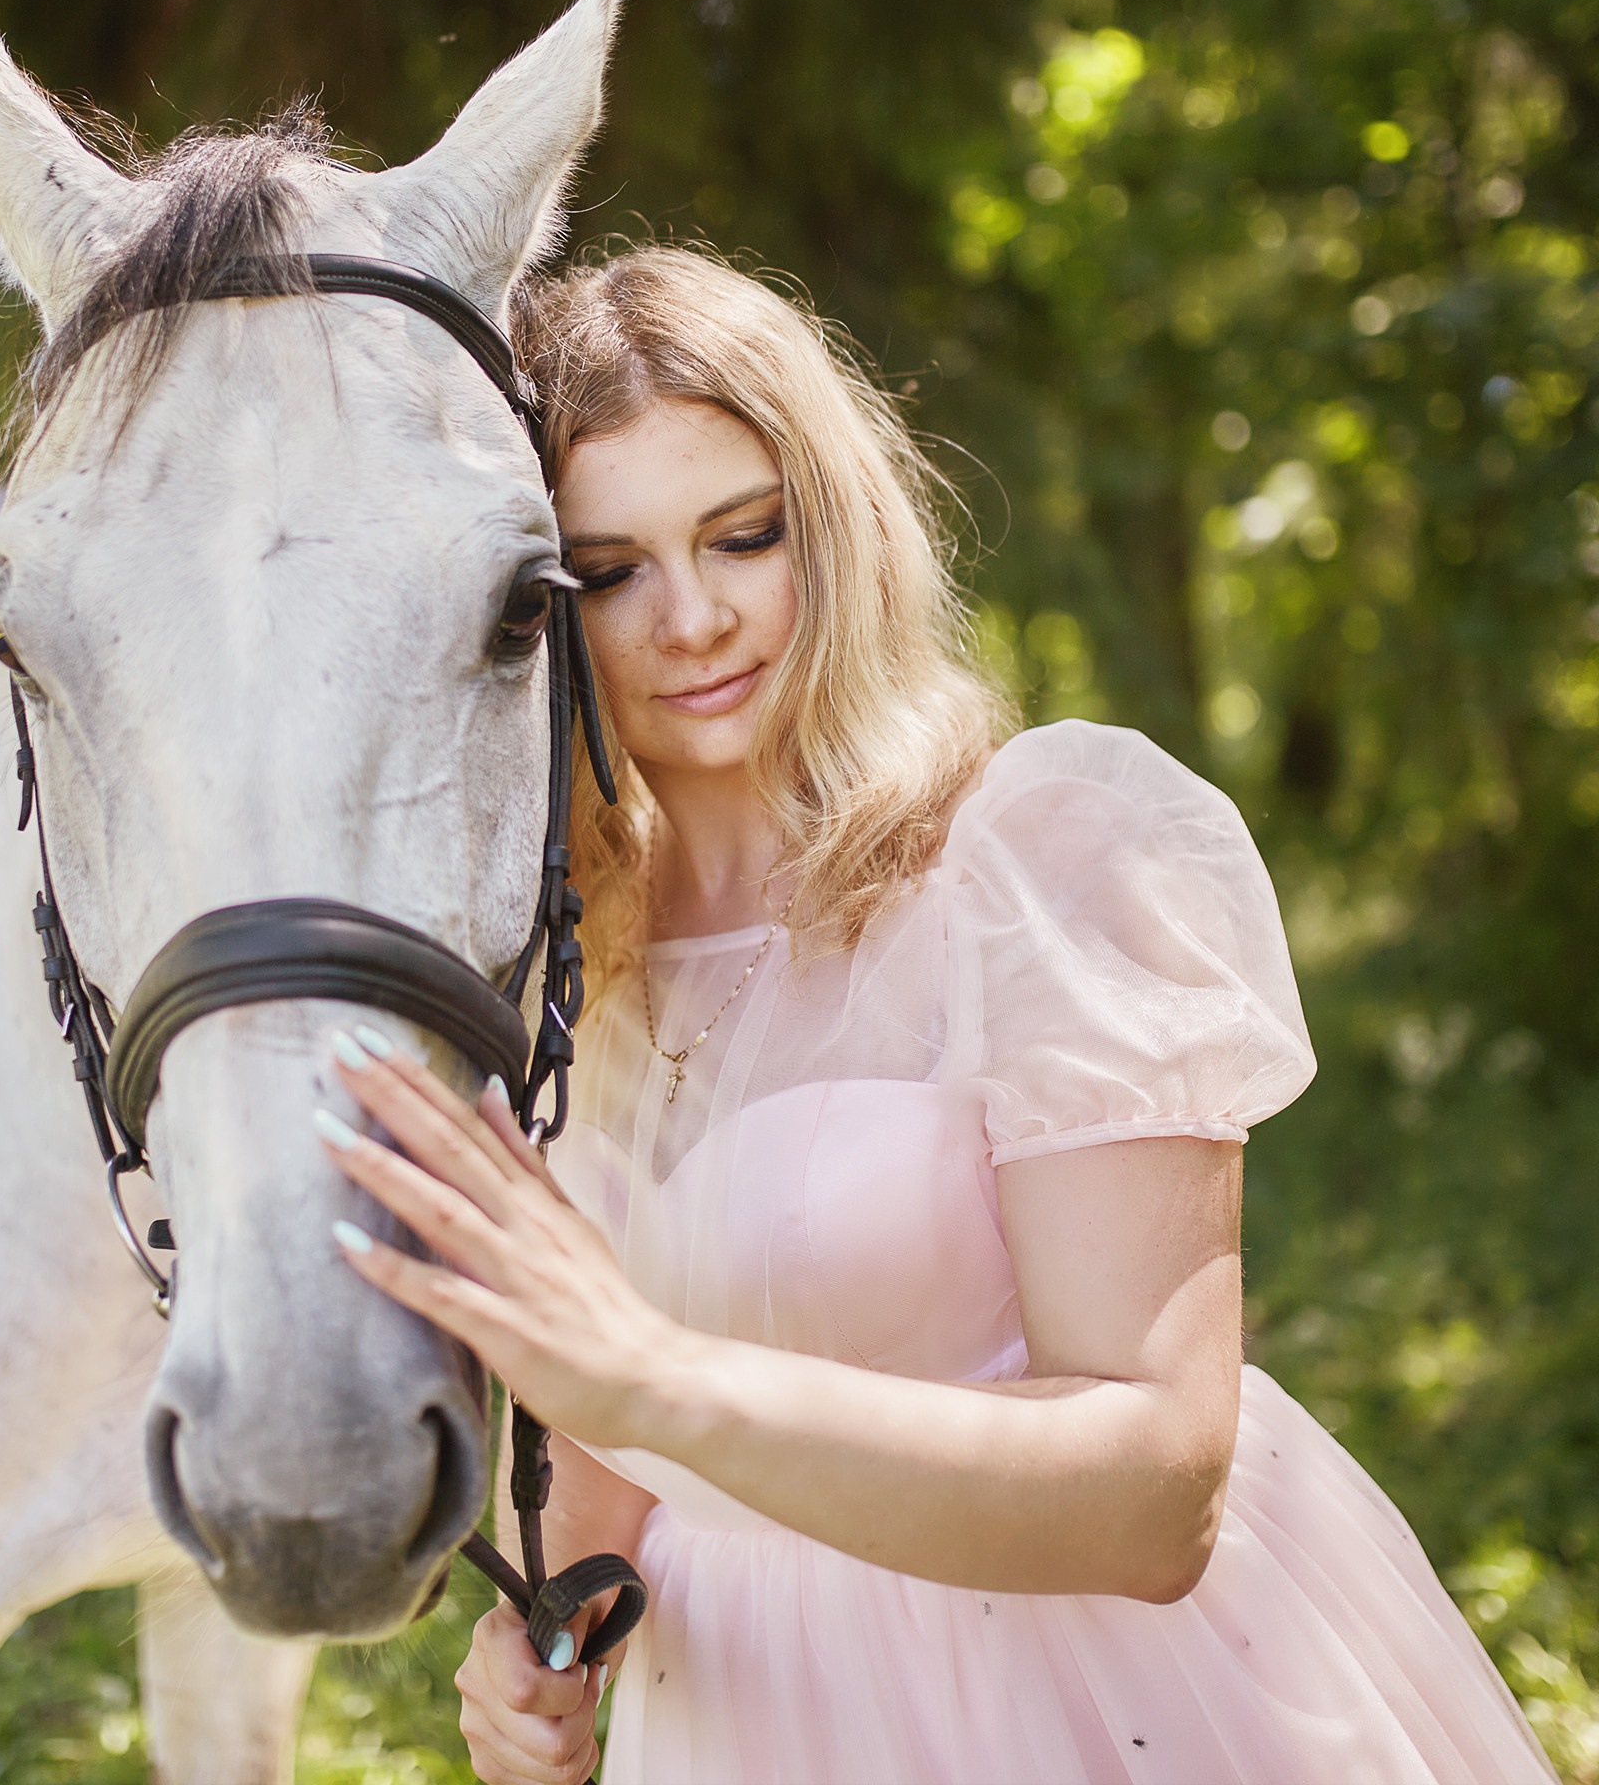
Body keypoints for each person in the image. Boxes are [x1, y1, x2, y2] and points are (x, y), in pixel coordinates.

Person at [314, 248, 1557, 1783]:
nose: (692, 617)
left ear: (828, 531)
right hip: (746, 1727)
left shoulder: (1040, 858)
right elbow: (604, 1463)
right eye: (613, 569)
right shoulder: (558, 968)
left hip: (1097, 1703)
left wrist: (656, 1379)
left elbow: (1159, 1494)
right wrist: (547, 1645)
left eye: (743, 536)